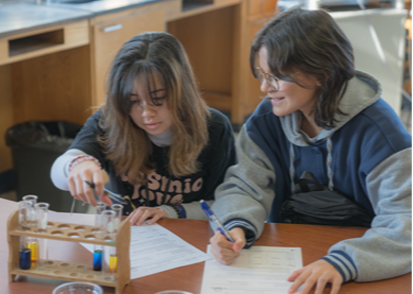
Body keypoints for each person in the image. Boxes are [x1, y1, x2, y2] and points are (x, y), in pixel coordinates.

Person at [209, 7, 412, 294]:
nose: (265, 87)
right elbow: (244, 185)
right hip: (288, 262)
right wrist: (235, 227)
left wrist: (343, 262)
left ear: (321, 72)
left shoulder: (380, 132)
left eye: (276, 76)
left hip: (363, 265)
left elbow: (405, 221)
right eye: (261, 74)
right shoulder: (266, 120)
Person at [51, 32, 236, 225]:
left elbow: (226, 202)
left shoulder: (214, 128)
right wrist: (78, 164)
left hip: (187, 234)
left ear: (182, 92)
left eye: (158, 99)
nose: (147, 113)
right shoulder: (110, 120)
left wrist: (171, 211)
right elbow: (59, 174)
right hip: (126, 234)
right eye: (133, 101)